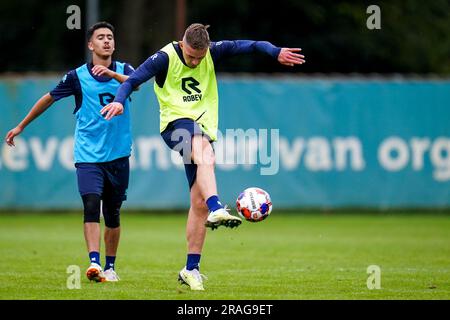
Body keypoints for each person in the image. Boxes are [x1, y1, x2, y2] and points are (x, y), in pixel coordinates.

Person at [101, 23, 305, 290]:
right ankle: (217, 207)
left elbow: (251, 45)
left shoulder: (213, 52)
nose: (195, 61)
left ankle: (191, 268)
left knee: (197, 201)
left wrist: (275, 51)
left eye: (199, 56)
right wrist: (118, 99)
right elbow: (133, 81)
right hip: (175, 125)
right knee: (204, 151)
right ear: (182, 43)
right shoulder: (165, 57)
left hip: (203, 129)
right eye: (190, 55)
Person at [5, 21, 135, 283]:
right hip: (88, 155)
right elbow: (49, 98)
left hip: (119, 155)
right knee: (90, 204)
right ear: (91, 45)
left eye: (110, 37)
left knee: (112, 214)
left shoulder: (124, 70)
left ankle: (111, 267)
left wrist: (112, 77)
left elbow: (136, 83)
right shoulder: (77, 77)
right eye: (101, 37)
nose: (107, 41)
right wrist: (21, 125)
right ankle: (95, 263)